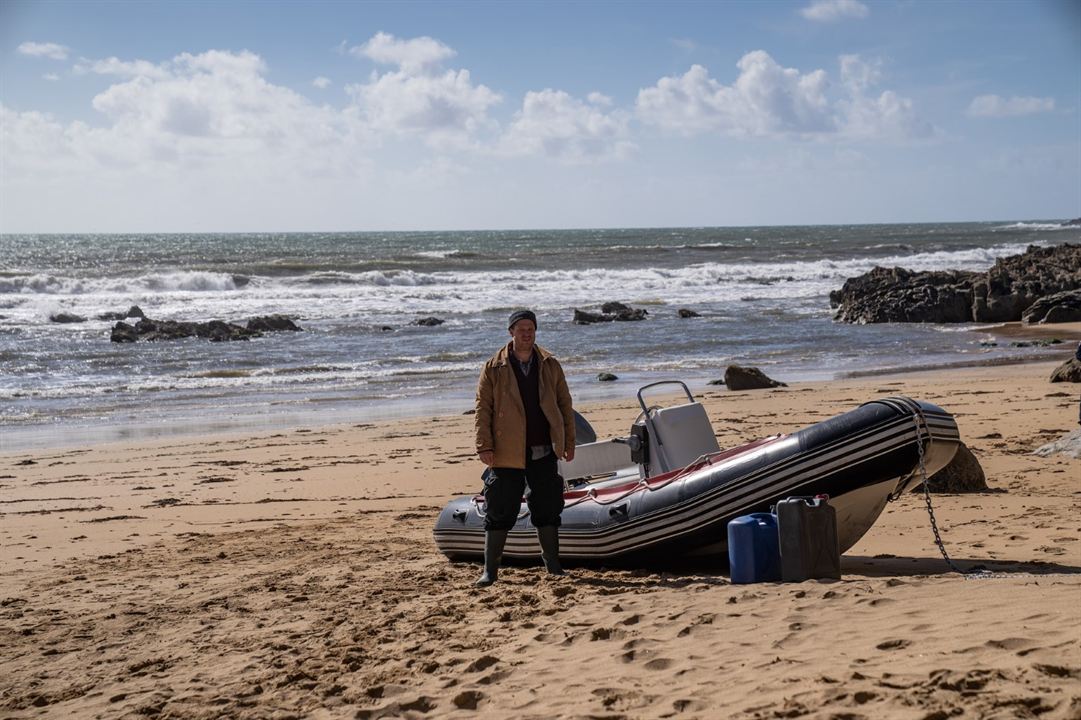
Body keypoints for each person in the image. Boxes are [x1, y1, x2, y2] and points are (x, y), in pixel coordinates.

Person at [473, 309, 575, 587]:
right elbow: (483, 408)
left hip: (543, 448)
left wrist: (568, 442)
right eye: (521, 329)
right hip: (506, 451)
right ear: (511, 332)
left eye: (530, 328)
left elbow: (565, 404)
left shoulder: (550, 364)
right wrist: (484, 445)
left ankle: (553, 566)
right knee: (500, 508)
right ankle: (490, 572)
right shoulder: (493, 367)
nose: (526, 333)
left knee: (548, 505)